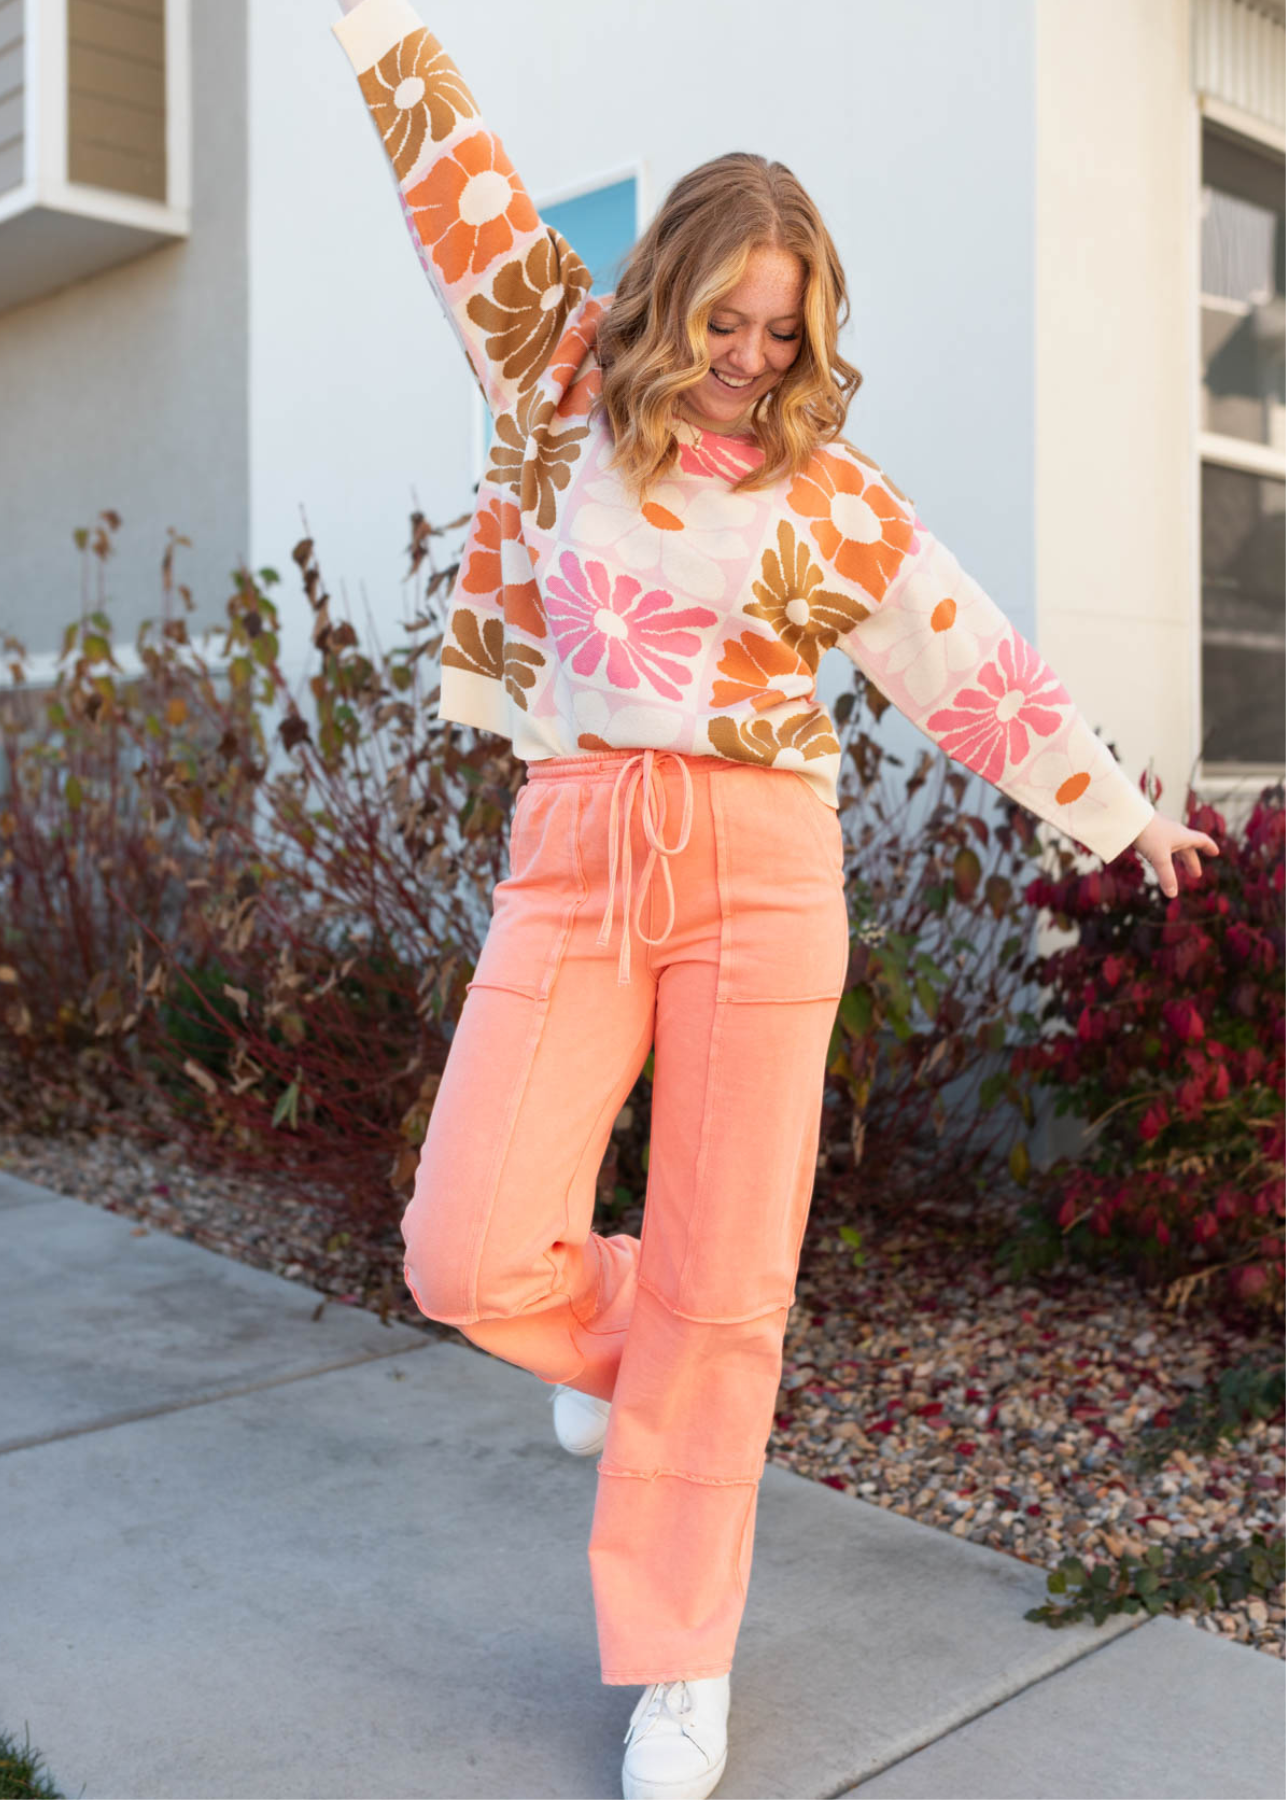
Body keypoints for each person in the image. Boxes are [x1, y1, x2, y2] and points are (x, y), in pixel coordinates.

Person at [328, 3, 1220, 1794]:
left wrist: (1121, 817)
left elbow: (970, 660)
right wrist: (375, 25)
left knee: (731, 1294)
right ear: (661, 295)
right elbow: (452, 177)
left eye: (778, 329)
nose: (745, 357)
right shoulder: (548, 365)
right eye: (722, 319)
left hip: (761, 868)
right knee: (462, 1244)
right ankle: (628, 1330)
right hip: (574, 843)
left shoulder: (834, 503)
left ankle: (681, 1661)